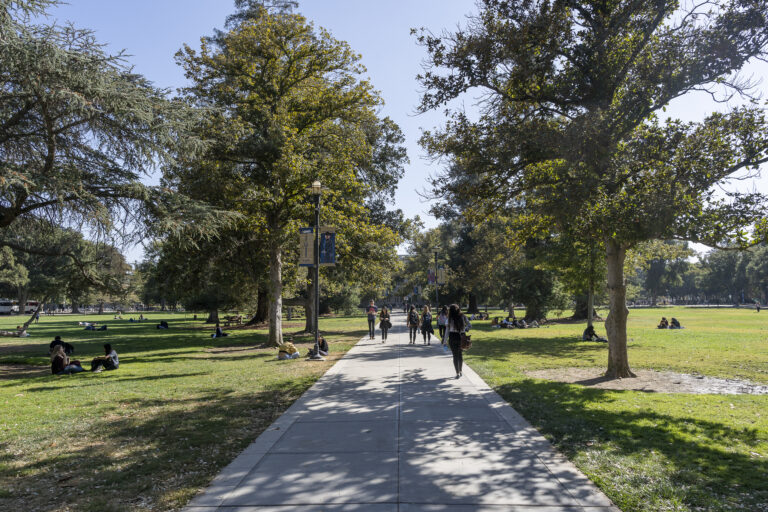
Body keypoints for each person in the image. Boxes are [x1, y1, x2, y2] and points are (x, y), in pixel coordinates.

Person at [444, 304, 466, 379]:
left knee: (455, 355)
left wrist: (444, 340)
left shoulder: (449, 319)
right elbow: (463, 329)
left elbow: (447, 331)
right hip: (460, 337)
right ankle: (460, 370)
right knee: (460, 355)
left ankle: (457, 372)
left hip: (452, 337)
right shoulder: (461, 317)